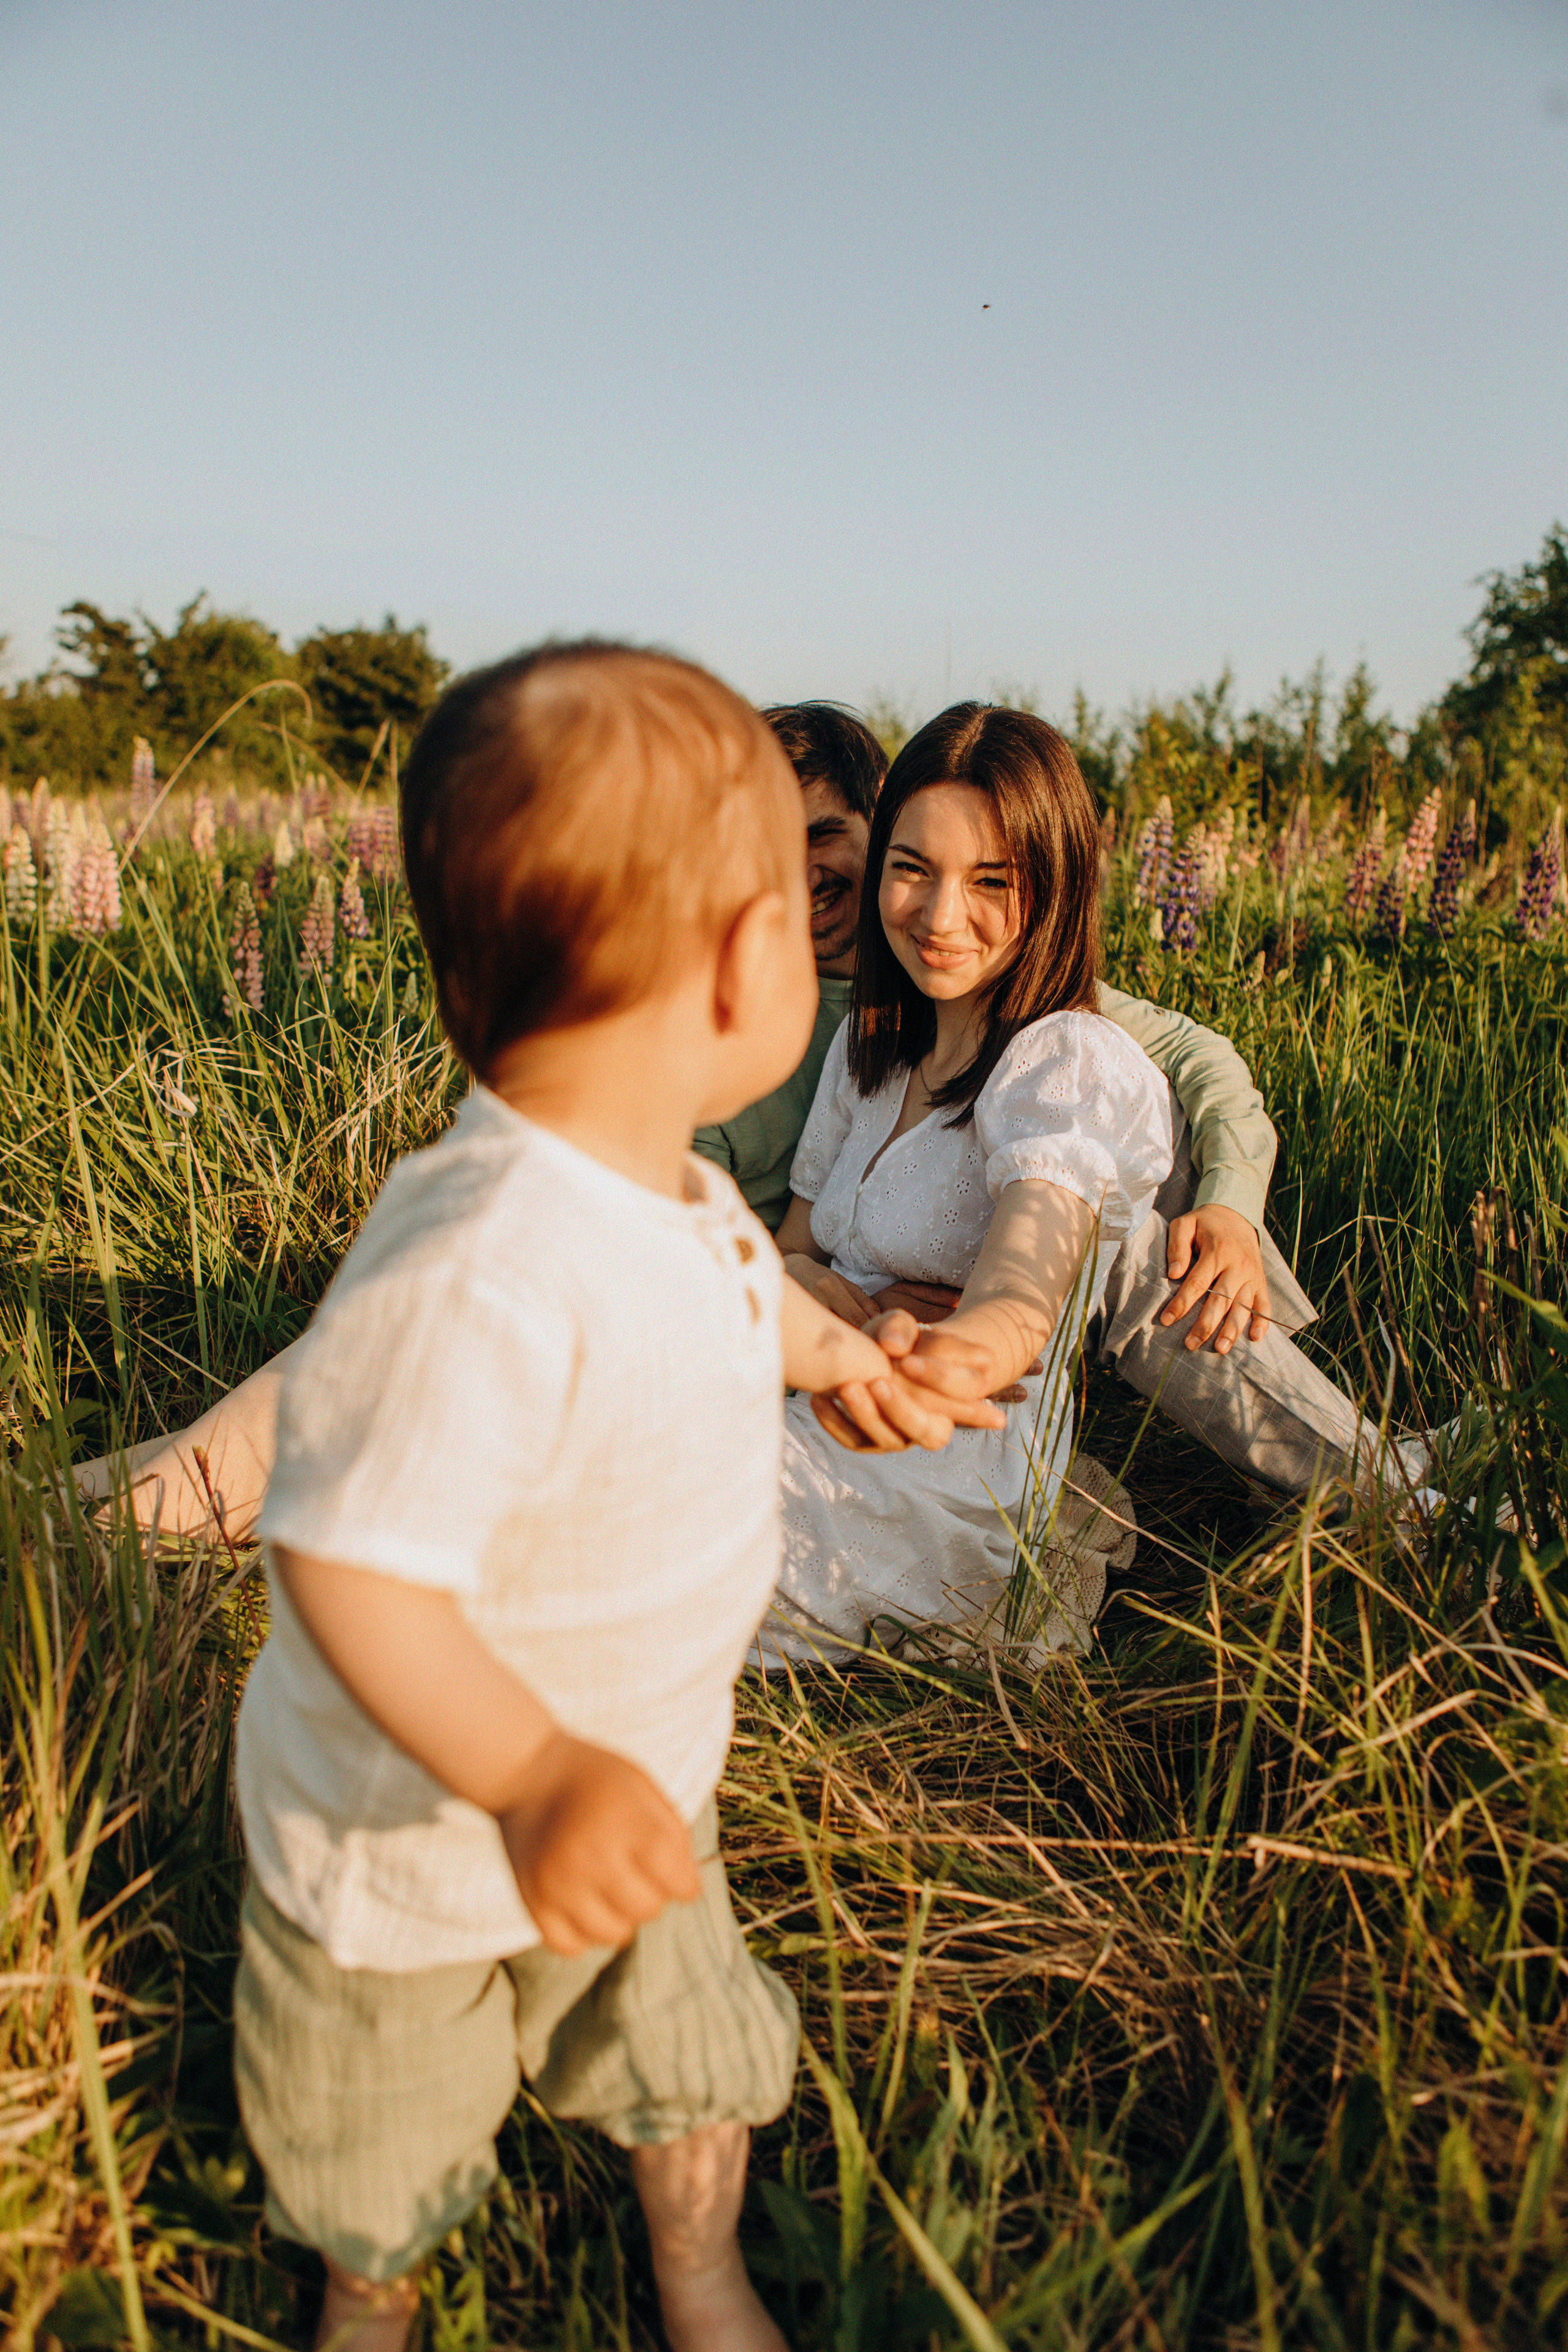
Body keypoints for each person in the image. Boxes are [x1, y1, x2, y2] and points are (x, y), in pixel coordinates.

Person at [231, 642, 1006, 2352]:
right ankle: (374, 2292)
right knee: (385, 2124)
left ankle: (701, 2260)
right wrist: (525, 1779)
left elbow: (741, 1297)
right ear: (746, 958)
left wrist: (845, 1366)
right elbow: (346, 1565)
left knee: (684, 2061)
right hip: (414, 1846)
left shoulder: (668, 1195)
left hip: (638, 1779)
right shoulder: (483, 1264)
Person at [756, 703, 1175, 1667]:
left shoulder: (1063, 1057)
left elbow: (1020, 1299)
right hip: (819, 1395)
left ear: (1058, 891)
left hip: (945, 1457)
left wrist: (942, 1362)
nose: (941, 918)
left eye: (993, 881)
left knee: (643, 1546)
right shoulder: (868, 1054)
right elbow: (794, 1251)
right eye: (912, 869)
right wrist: (840, 1311)